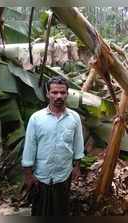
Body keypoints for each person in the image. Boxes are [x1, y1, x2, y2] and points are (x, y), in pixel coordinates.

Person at [21, 76, 85, 216]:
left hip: (63, 175)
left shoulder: (74, 118)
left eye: (62, 93)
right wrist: (28, 175)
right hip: (41, 175)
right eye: (54, 92)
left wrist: (77, 167)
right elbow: (30, 147)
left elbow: (78, 144)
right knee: (39, 211)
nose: (59, 96)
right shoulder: (36, 118)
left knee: (60, 210)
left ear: (67, 94)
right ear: (47, 94)